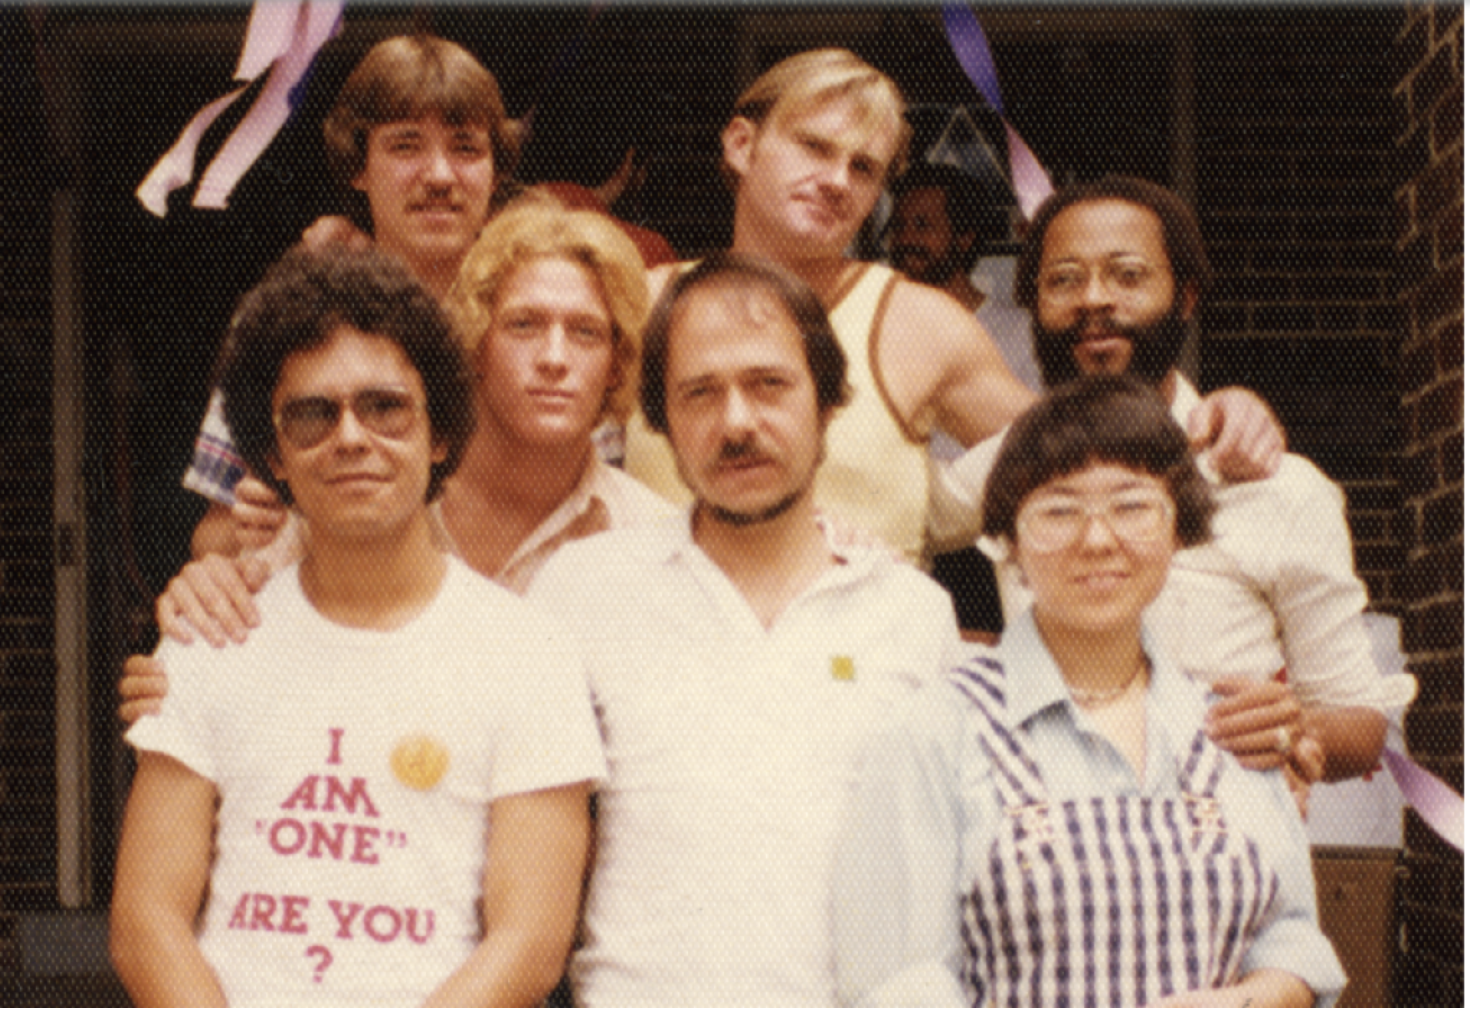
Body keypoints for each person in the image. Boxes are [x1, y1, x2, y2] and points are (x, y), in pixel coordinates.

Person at [111, 247, 603, 1006]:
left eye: (385, 408)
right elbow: (147, 924)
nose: (350, 438)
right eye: (313, 414)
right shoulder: (211, 634)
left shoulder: (528, 655)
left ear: (439, 435)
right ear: (273, 454)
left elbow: (530, 943)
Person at [622, 48, 1283, 564]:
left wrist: (1213, 413)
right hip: (671, 664)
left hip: (868, 678)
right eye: (814, 147)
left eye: (864, 168)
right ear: (742, 144)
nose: (835, 181)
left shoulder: (917, 322)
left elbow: (1078, 450)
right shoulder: (641, 303)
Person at [526, 253, 962, 1005]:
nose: (736, 424)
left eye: (769, 386)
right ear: (659, 423)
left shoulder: (914, 616)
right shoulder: (582, 591)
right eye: (700, 394)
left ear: (827, 404)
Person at [833, 375, 1346, 1008]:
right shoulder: (939, 731)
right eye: (1058, 511)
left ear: (1178, 528)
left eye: (1132, 506)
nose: (1097, 539)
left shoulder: (1231, 727)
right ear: (1009, 541)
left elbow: (1291, 936)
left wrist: (1251, 999)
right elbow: (897, 984)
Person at [119, 198, 672, 708]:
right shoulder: (371, 492)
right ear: (476, 345)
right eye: (523, 326)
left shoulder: (653, 541)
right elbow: (221, 645)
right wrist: (186, 659)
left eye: (585, 333)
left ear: (618, 363)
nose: (554, 357)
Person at [943, 174, 1401, 788]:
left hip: (1218, 850)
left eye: (1128, 275)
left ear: (1185, 297)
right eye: (1063, 280)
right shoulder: (1003, 466)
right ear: (1032, 305)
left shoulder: (1276, 486)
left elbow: (1360, 725)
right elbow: (878, 527)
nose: (1093, 300)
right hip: (1045, 849)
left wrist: (1292, 730)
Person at [185, 34, 514, 556]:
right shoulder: (283, 322)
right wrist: (252, 531)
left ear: (495, 170)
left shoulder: (543, 325)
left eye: (465, 147)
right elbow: (212, 537)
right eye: (406, 145)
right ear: (358, 165)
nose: (439, 175)